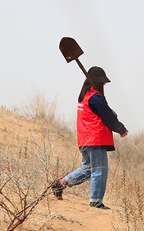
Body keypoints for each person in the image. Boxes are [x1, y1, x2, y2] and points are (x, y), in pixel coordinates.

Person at [51, 67, 127, 209]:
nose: (103, 85)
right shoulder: (96, 97)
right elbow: (108, 117)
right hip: (96, 138)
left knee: (88, 169)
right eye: (101, 83)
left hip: (85, 139)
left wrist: (109, 111)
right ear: (97, 82)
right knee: (99, 170)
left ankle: (60, 184)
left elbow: (102, 112)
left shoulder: (85, 96)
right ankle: (95, 201)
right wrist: (121, 129)